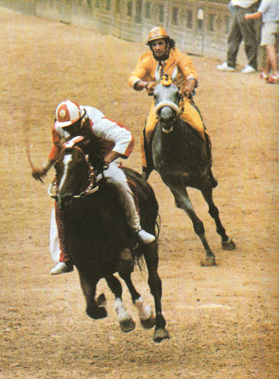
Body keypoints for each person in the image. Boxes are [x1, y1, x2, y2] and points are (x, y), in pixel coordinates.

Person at [31, 100, 156, 275]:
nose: (68, 131)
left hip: (103, 156)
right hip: (77, 161)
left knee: (120, 181)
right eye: (65, 128)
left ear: (81, 121)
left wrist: (106, 160)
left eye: (72, 127)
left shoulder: (97, 124)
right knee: (59, 198)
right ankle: (64, 257)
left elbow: (126, 137)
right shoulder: (61, 127)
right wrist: (44, 168)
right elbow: (58, 145)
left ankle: (136, 228)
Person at [127, 26, 209, 178]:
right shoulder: (148, 60)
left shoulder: (179, 57)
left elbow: (190, 73)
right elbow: (132, 78)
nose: (157, 48)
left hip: (181, 100)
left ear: (167, 44)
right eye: (154, 45)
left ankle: (206, 165)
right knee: (148, 130)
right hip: (160, 102)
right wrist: (146, 85)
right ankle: (146, 166)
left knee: (199, 127)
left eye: (160, 44)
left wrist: (189, 85)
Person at [217, 1, 261, 73]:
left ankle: (252, 65)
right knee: (233, 35)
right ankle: (230, 62)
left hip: (247, 7)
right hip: (237, 6)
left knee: (248, 37)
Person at [245, 0, 279, 83]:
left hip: (268, 25)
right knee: (270, 50)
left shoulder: (267, 1)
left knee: (270, 49)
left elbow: (259, 14)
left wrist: (249, 16)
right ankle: (265, 72)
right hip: (276, 25)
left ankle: (276, 72)